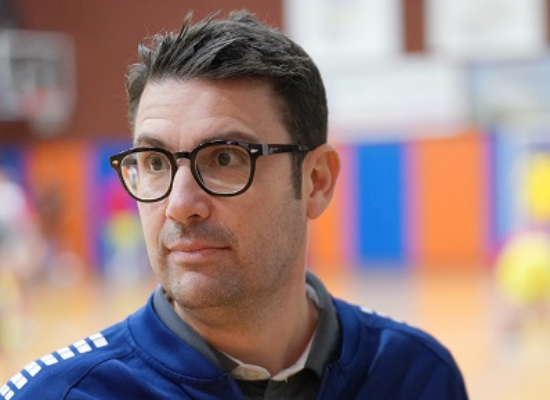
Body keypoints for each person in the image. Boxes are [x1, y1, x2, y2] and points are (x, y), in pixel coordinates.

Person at [2, 10, 468, 400]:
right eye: (155, 163)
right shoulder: (59, 395)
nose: (180, 205)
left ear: (317, 181)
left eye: (225, 158)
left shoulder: (417, 375)